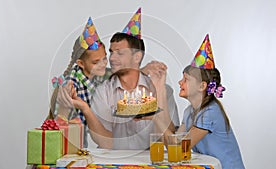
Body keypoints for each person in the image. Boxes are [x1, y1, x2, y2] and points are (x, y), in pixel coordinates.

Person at [62, 8, 180, 150]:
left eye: (120, 53)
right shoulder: (103, 91)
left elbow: (171, 141)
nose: (112, 58)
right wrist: (86, 109)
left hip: (150, 161)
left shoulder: (163, 90)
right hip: (113, 160)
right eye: (111, 52)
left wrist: (159, 91)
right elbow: (106, 143)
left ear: (137, 57)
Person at [174, 34, 245, 168]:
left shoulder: (210, 112)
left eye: (186, 79)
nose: (180, 82)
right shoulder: (189, 111)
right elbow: (175, 141)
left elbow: (180, 149)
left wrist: (157, 117)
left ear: (202, 86)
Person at [49, 17, 108, 148]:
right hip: (71, 148)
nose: (103, 64)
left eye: (105, 59)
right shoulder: (71, 86)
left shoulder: (97, 75)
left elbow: (114, 73)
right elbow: (60, 127)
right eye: (96, 62)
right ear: (81, 63)